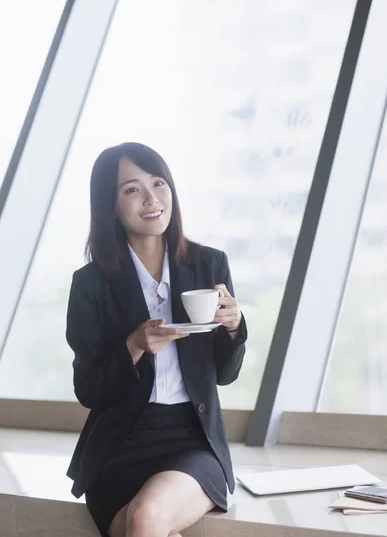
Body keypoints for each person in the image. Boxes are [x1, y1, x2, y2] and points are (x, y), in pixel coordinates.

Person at [66, 142, 247, 537]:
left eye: (158, 183)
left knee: (146, 519)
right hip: (118, 445)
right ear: (110, 205)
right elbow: (88, 389)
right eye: (132, 189)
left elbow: (225, 375)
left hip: (192, 439)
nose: (151, 198)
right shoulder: (90, 285)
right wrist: (133, 347)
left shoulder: (208, 264)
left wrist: (233, 328)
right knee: (148, 526)